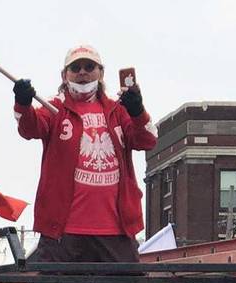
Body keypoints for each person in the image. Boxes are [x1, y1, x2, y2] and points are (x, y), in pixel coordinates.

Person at [13, 45, 157, 270]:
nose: (82, 72)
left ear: (101, 73)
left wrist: (138, 111)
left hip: (116, 232)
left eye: (89, 67)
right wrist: (23, 102)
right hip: (62, 233)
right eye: (75, 67)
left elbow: (147, 140)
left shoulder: (118, 110)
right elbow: (29, 128)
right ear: (64, 74)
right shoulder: (54, 108)